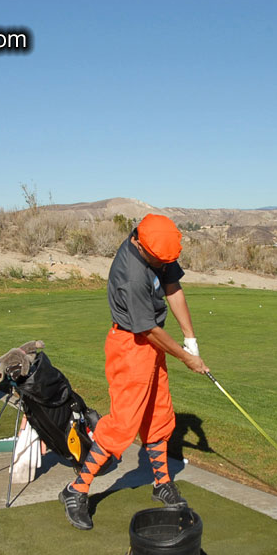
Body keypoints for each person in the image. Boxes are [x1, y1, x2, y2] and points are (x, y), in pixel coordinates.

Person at [59, 213, 208, 530]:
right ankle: (77, 490)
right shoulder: (132, 274)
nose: (162, 263)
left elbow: (173, 287)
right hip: (130, 345)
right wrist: (186, 358)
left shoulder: (157, 247)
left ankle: (161, 484)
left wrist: (191, 340)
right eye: (159, 259)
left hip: (152, 345)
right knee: (124, 424)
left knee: (159, 415)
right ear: (141, 244)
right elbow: (149, 330)